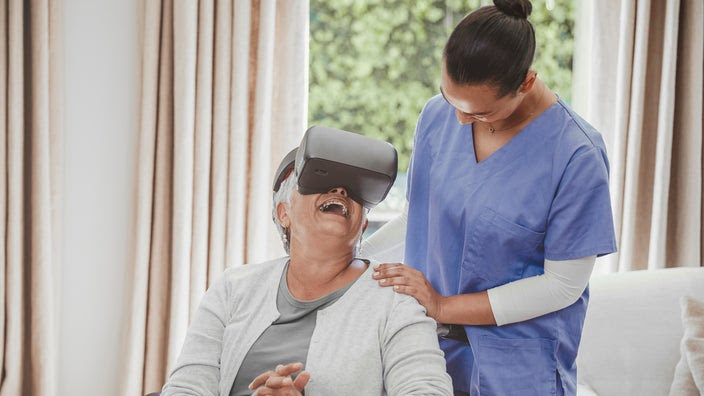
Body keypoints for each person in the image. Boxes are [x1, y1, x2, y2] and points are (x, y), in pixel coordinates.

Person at [366, 1, 617, 395]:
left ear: (526, 83)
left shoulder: (576, 155)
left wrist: (443, 305)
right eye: (452, 100)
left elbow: (562, 285)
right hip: (428, 350)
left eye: (480, 113)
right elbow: (421, 216)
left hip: (515, 368)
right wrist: (354, 255)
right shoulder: (437, 116)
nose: (461, 120)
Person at [160, 141, 453, 395]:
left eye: (353, 190)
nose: (340, 189)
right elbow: (186, 387)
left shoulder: (396, 300)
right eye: (320, 181)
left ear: (362, 225)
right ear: (284, 213)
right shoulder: (233, 288)